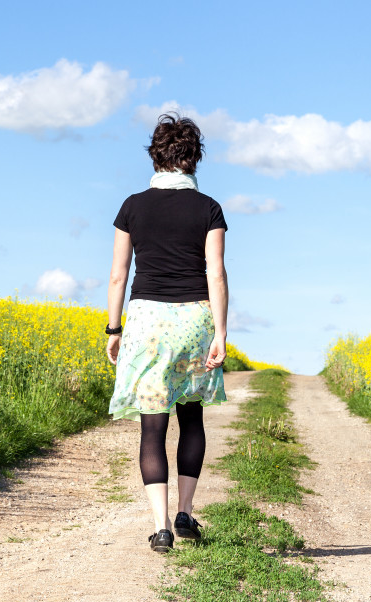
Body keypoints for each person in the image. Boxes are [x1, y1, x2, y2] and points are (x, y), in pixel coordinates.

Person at [105, 113, 229, 553]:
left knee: (152, 426)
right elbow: (216, 272)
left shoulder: (132, 206)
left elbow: (119, 275)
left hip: (148, 323)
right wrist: (220, 331)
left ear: (155, 156)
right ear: (194, 159)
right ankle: (185, 513)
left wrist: (114, 328)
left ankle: (160, 528)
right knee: (191, 416)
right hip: (195, 319)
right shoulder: (208, 208)